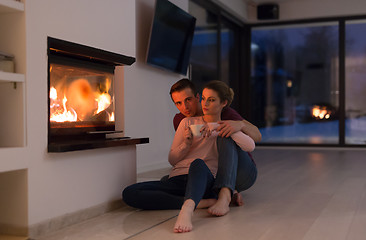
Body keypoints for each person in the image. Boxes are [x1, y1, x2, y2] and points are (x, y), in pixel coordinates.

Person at [122, 81, 258, 233]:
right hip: (179, 178)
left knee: (197, 164)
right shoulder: (185, 122)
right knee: (129, 193)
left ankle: (189, 208)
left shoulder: (227, 122)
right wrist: (185, 145)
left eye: (211, 100)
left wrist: (225, 126)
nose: (185, 107)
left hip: (210, 175)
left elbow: (251, 143)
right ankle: (201, 202)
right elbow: (173, 160)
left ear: (223, 103)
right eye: (178, 103)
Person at [168, 78, 261, 206]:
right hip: (211, 170)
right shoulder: (181, 120)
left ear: (197, 97)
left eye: (188, 100)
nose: (185, 107)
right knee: (169, 181)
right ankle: (211, 197)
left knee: (224, 134)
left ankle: (225, 194)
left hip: (240, 169)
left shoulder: (224, 112)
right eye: (178, 103)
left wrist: (239, 124)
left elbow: (257, 136)